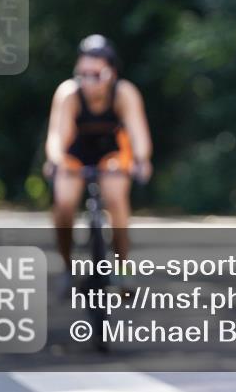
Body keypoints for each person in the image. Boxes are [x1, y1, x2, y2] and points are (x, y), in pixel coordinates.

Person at [44, 34, 153, 291]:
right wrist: (56, 161)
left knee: (116, 198)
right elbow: (56, 137)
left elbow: (139, 135)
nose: (88, 81)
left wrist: (141, 160)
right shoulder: (68, 94)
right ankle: (68, 266)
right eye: (82, 74)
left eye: (95, 74)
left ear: (111, 73)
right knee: (64, 203)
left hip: (111, 155)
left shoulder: (124, 93)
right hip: (76, 153)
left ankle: (122, 266)